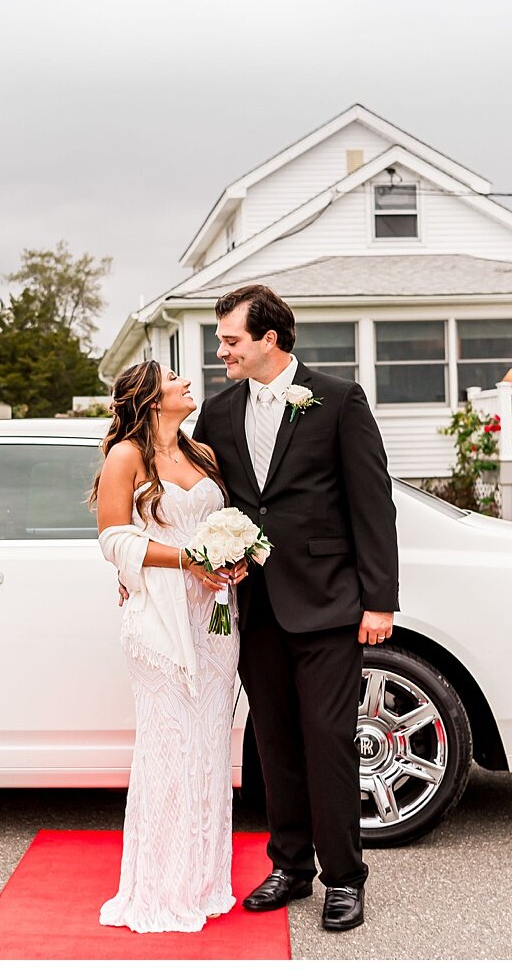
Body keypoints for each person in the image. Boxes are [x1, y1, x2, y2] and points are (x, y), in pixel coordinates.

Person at [192, 283, 398, 933]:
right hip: (254, 606)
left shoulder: (337, 401)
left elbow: (372, 503)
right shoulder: (218, 413)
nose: (220, 350)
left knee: (330, 743)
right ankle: (290, 865)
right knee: (273, 743)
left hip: (330, 604)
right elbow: (211, 501)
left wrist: (380, 599)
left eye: (230, 339)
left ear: (268, 340)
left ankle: (344, 878)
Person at [90, 360, 240, 934]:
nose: (186, 383)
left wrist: (235, 559)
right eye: (175, 379)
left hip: (213, 616)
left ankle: (201, 881)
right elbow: (112, 537)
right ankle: (159, 886)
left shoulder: (202, 454)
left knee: (206, 741)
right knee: (167, 743)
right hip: (158, 616)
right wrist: (187, 561)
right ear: (152, 398)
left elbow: (225, 523)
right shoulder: (126, 456)